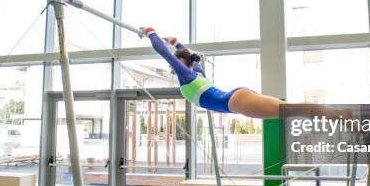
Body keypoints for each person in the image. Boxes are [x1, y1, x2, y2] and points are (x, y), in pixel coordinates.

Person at [139, 27, 345, 120]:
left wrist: (151, 32)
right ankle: (337, 115)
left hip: (236, 101)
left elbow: (164, 52)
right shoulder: (197, 71)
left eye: (177, 62)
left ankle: (339, 116)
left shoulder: (187, 75)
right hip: (237, 98)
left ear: (181, 63)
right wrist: (175, 40)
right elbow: (186, 53)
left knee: (291, 110)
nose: (174, 67)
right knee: (289, 109)